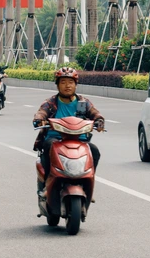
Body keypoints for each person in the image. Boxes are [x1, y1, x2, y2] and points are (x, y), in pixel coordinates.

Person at [33, 67, 104, 195]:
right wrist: (39, 119)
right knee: (49, 147)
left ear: (76, 85)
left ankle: (88, 184)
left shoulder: (83, 102)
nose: (67, 86)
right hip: (55, 139)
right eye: (63, 82)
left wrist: (99, 121)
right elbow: (41, 112)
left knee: (94, 151)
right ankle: (46, 184)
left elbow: (95, 113)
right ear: (58, 85)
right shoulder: (51, 102)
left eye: (70, 82)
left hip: (80, 140)